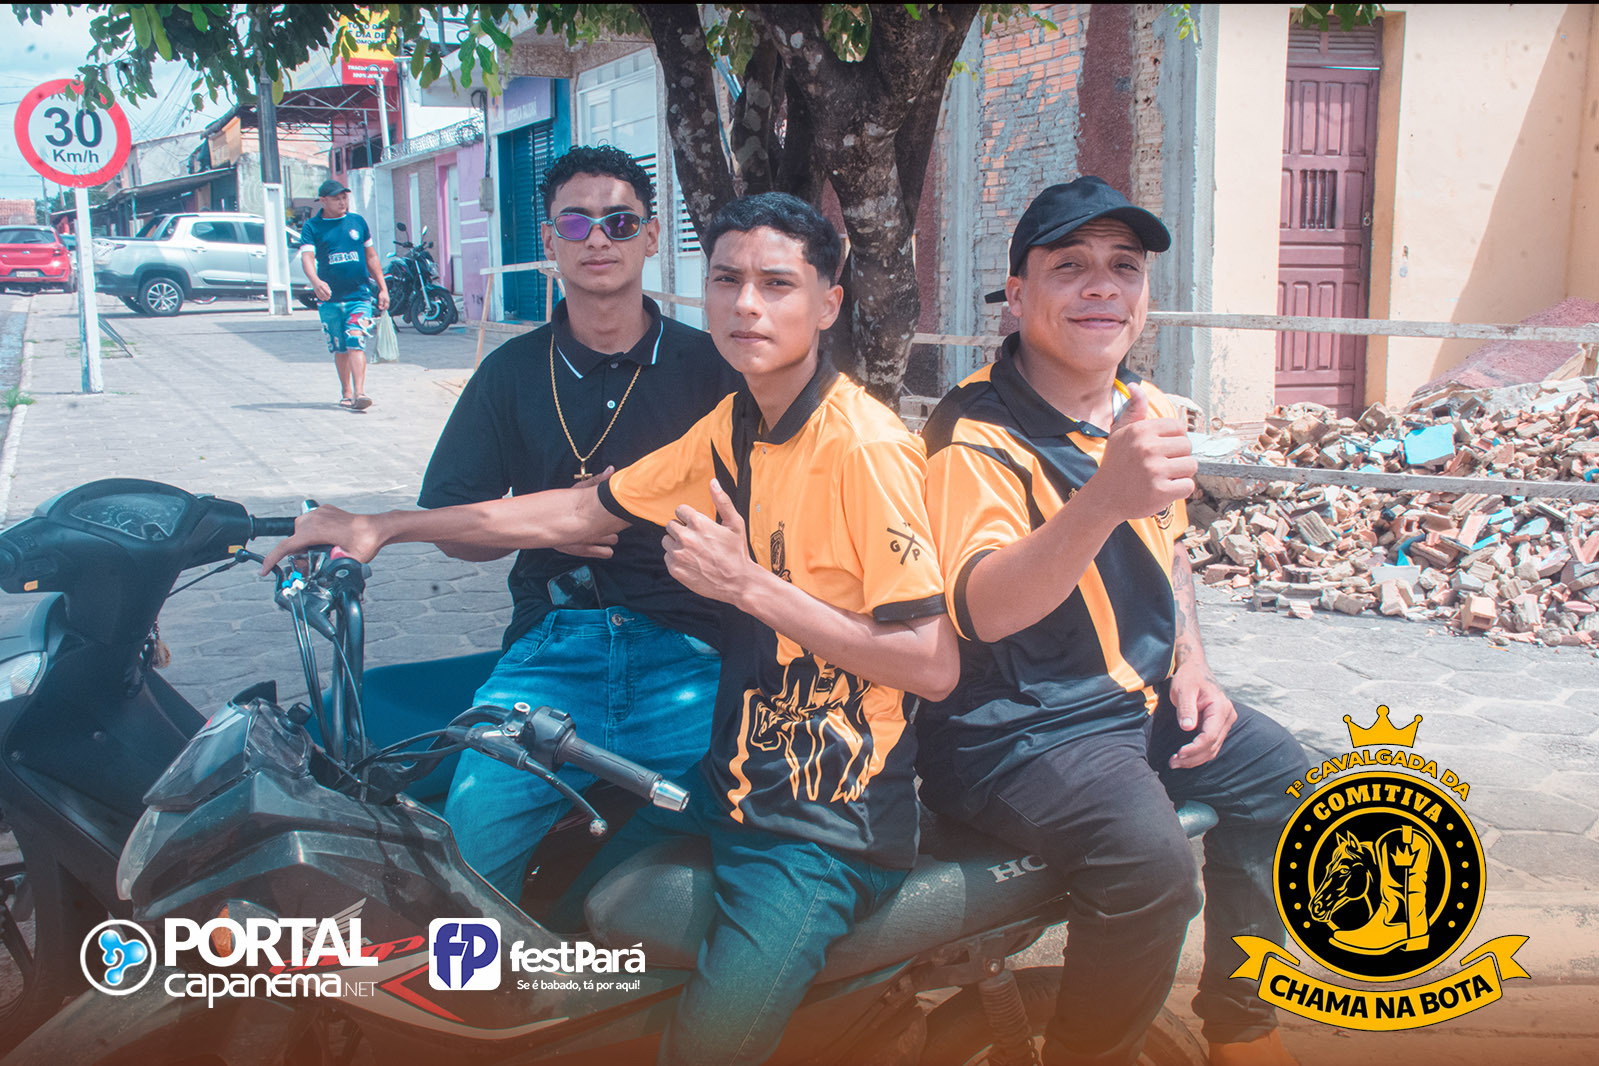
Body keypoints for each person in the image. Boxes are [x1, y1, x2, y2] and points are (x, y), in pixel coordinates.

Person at [264, 192, 958, 1066]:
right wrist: (383, 525)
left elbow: (931, 663)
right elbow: (581, 509)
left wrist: (747, 587)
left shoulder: (864, 448)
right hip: (728, 785)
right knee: (562, 945)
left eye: (777, 284)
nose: (746, 304)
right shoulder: (734, 426)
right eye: (727, 280)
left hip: (821, 826)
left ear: (828, 303)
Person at [916, 176, 1306, 1066]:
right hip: (1016, 730)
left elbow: (1172, 552)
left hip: (1136, 702)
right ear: (1017, 296)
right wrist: (1100, 499)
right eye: (1069, 267)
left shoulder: (1145, 408)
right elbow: (981, 609)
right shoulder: (973, 431)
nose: (1101, 286)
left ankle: (1242, 1026)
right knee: (1151, 871)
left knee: (1291, 789)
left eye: (1123, 267)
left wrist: (1192, 666)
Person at [420, 145, 739, 902]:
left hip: (692, 651)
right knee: (463, 865)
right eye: (576, 222)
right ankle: (470, 980)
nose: (598, 238)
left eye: (619, 221)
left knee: (748, 850)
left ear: (651, 236)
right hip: (549, 654)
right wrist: (550, 526)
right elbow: (449, 526)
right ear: (550, 240)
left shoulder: (715, 369)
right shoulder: (510, 373)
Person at [297, 179, 391, 411]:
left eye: (344, 197)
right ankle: (346, 392)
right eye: (336, 198)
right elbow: (307, 257)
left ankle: (360, 393)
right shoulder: (312, 227)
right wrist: (316, 282)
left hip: (359, 296)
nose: (342, 202)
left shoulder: (357, 222)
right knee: (340, 347)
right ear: (323, 200)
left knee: (355, 340)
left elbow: (371, 256)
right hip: (330, 299)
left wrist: (383, 287)